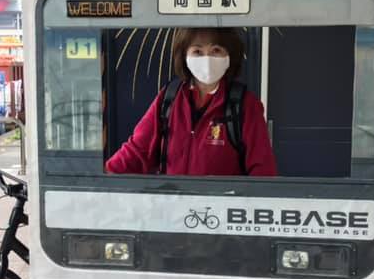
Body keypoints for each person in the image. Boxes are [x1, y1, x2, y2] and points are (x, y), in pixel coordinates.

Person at [106, 27, 277, 176]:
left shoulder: (245, 105)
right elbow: (137, 152)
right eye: (197, 51)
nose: (207, 59)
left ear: (229, 55)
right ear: (185, 56)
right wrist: (101, 179)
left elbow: (263, 172)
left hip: (221, 210)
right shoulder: (168, 99)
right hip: (173, 206)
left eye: (216, 50)